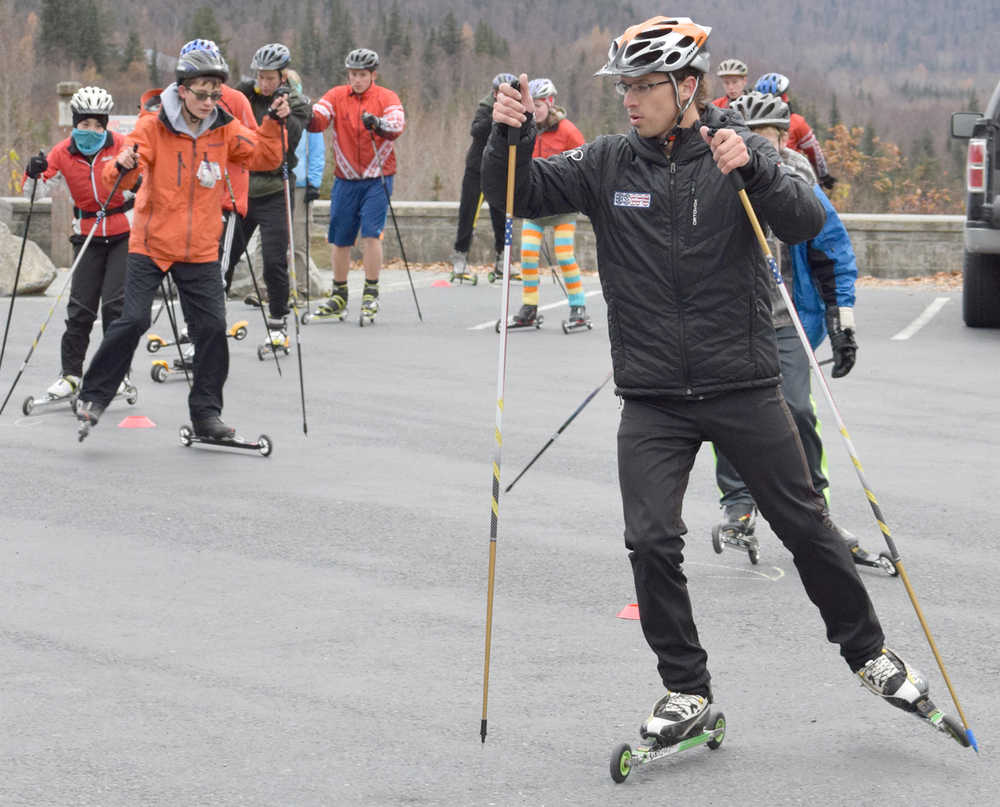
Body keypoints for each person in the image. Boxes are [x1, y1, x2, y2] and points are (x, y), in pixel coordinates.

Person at [485, 16, 940, 745]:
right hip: (654, 395)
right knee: (651, 539)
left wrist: (755, 170)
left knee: (805, 524)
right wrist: (499, 134)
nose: (630, 99)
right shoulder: (606, 162)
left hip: (742, 384)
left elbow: (804, 218)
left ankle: (870, 653)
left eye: (644, 86)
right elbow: (518, 194)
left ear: (686, 86)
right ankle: (686, 690)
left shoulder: (739, 151)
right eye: (624, 86)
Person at [75, 39, 290, 439]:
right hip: (152, 244)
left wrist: (274, 123)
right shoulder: (153, 126)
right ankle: (94, 396)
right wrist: (122, 167)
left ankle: (206, 415)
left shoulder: (224, 129)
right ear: (183, 89)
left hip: (201, 249)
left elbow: (264, 157)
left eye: (215, 93)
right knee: (133, 320)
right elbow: (121, 175)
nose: (210, 101)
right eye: (202, 93)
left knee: (211, 329)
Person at [714, 90, 883, 569]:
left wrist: (842, 321)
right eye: (749, 132)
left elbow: (832, 251)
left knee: (795, 407)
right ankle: (739, 505)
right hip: (733, 317)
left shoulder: (798, 176)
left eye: (766, 134)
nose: (755, 142)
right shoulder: (716, 171)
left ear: (783, 137)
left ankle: (816, 506)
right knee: (728, 413)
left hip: (787, 316)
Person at [23, 86, 134, 402]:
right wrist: (33, 174)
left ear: (106, 125)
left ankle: (118, 374)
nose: (92, 131)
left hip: (124, 232)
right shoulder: (62, 152)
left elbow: (144, 179)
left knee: (115, 306)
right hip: (86, 234)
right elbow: (38, 193)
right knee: (80, 309)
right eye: (85, 125)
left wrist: (135, 181)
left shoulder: (123, 146)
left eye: (98, 125)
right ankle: (71, 375)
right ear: (75, 125)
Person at [307, 48, 405, 322]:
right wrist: (304, 111)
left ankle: (371, 292)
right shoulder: (337, 95)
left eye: (362, 75)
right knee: (339, 238)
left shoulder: (386, 97)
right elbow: (318, 118)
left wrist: (378, 123)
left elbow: (397, 125)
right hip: (345, 178)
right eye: (353, 75)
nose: (357, 80)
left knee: (371, 234)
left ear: (373, 75)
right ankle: (339, 295)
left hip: (378, 177)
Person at [229, 43, 311, 346]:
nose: (264, 84)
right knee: (225, 256)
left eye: (271, 78)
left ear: (283, 76)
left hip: (276, 189)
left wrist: (283, 117)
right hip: (243, 189)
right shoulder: (246, 93)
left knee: (274, 261)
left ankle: (277, 322)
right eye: (260, 77)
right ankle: (207, 319)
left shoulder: (297, 102)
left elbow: (292, 139)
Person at [506, 78, 589, 330]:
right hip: (535, 207)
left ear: (550, 104)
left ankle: (578, 307)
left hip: (563, 207)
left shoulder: (567, 131)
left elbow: (586, 163)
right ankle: (529, 307)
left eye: (540, 104)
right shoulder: (526, 128)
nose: (537, 110)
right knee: (528, 256)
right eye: (533, 104)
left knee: (564, 255)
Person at [450, 72, 514, 284]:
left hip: (499, 171)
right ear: (494, 93)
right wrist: (494, 118)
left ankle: (502, 260)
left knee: (502, 215)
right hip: (477, 169)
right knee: (468, 213)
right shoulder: (485, 108)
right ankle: (460, 257)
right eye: (498, 92)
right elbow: (475, 131)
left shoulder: (515, 110)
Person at [754, 72, 836, 190]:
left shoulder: (797, 123)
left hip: (793, 179)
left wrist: (823, 175)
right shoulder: (753, 124)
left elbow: (814, 151)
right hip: (761, 179)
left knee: (824, 208)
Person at [286, 68, 326, 299]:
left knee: (299, 239)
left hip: (300, 184)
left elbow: (317, 151)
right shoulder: (272, 111)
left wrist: (314, 182)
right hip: (277, 181)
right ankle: (264, 287)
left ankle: (302, 286)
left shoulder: (306, 112)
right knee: (268, 241)